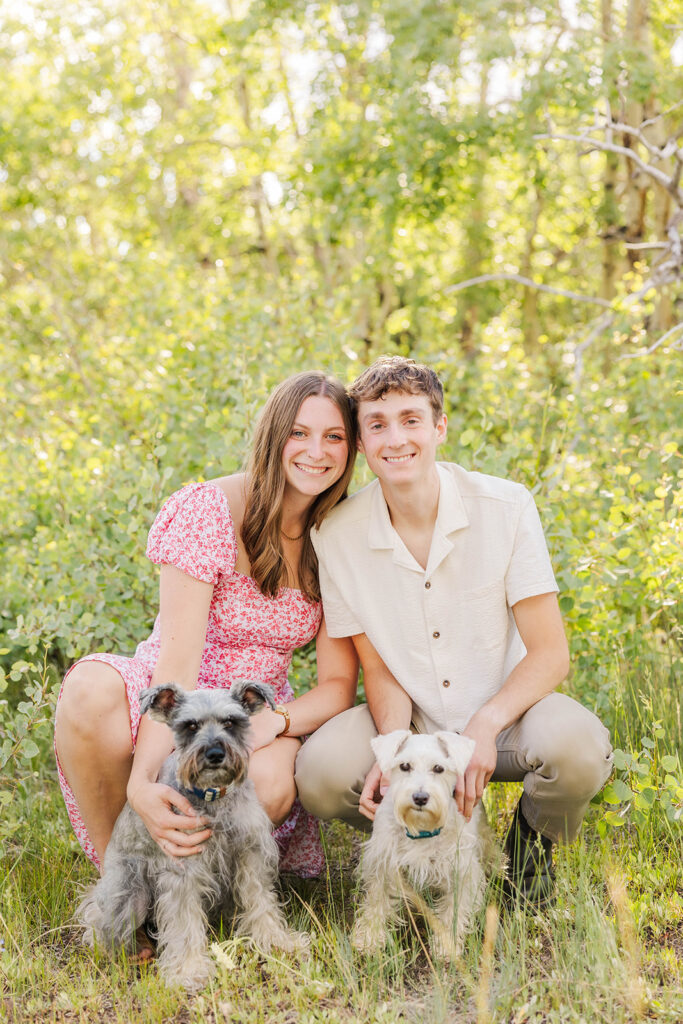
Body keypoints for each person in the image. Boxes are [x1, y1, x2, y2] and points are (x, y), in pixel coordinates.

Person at [55, 371, 359, 954]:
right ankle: (124, 887)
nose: (316, 452)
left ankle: (209, 900)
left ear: (352, 450)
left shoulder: (337, 537)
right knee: (89, 689)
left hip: (253, 710)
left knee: (266, 780)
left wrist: (274, 723)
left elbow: (338, 685)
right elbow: (177, 662)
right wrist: (145, 783)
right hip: (176, 691)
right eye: (299, 432)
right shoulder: (210, 510)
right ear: (273, 435)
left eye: (334, 437)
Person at [296, 356, 613, 905]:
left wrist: (486, 726)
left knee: (579, 748)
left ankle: (527, 857)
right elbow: (378, 668)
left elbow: (550, 653)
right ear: (362, 443)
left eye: (411, 419)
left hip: (507, 714)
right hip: (415, 725)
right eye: (377, 424)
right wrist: (394, 751)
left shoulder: (507, 506)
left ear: (439, 427)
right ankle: (428, 838)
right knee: (321, 773)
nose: (395, 438)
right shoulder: (335, 535)